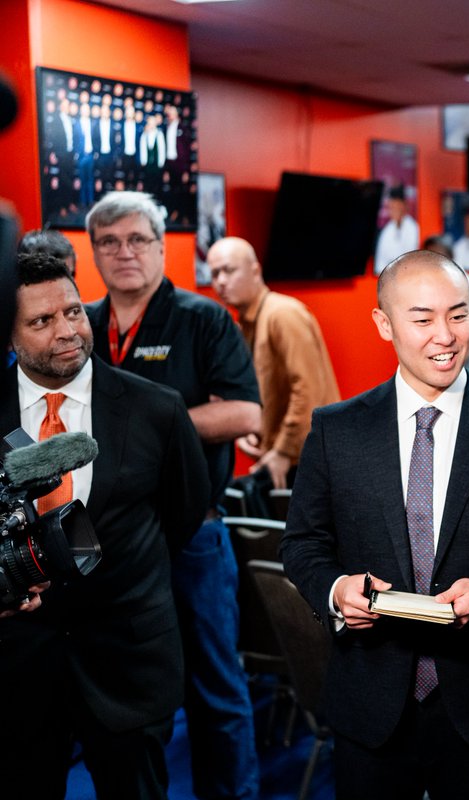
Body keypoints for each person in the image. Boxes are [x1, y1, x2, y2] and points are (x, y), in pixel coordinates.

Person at [280, 250, 469, 798]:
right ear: (384, 324)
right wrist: (336, 589)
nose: (445, 336)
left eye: (459, 314)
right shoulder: (336, 430)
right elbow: (303, 543)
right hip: (372, 703)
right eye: (422, 319)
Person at [1, 252, 210, 800]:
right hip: (18, 669)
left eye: (73, 311)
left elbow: (183, 517)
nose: (68, 330)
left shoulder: (157, 409)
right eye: (42, 321)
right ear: (9, 334)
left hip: (129, 665)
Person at [83, 191, 263, 800]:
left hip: (192, 534)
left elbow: (244, 411)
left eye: (137, 239)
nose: (123, 253)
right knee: (128, 695)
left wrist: (150, 422)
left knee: (216, 688)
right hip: (109, 544)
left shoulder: (202, 319)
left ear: (161, 246)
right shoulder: (81, 324)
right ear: (95, 253)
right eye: (109, 242)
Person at [208, 236, 341, 489]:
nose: (221, 282)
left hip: (308, 460)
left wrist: (283, 451)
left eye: (229, 270)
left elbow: (308, 390)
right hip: (288, 459)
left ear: (255, 270)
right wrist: (254, 427)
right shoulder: (247, 322)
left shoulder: (282, 314)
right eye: (215, 274)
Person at [423, 234, 469, 378]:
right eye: (428, 258)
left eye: (438, 258)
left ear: (450, 258)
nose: (432, 263)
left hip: (467, 371)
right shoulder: (429, 287)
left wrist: (454, 351)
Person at [374, 185, 420, 275]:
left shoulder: (413, 228)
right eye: (391, 207)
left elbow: (412, 257)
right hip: (388, 277)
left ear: (404, 205)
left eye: (397, 206)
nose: (394, 210)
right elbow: (380, 262)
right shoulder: (386, 231)